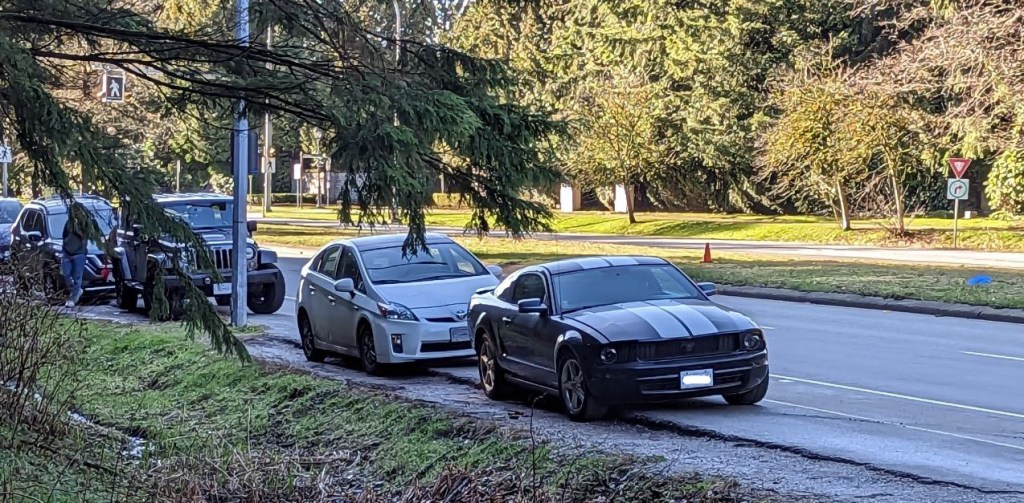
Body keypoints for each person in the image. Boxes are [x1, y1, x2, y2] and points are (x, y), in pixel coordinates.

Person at [62, 208, 88, 308]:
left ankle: (73, 298)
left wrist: (77, 224)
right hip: (67, 252)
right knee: (66, 274)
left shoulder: (83, 225)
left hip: (79, 253)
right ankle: (76, 290)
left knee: (77, 277)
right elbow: (64, 236)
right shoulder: (68, 223)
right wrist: (64, 247)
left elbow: (84, 236)